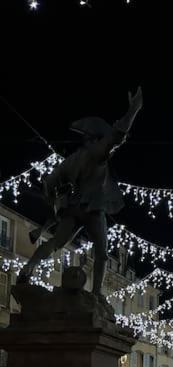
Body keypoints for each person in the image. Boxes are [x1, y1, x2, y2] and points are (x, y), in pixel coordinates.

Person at [17, 88, 143, 299]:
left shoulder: (71, 160)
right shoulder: (97, 154)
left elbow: (49, 183)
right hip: (93, 208)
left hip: (73, 208)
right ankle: (96, 295)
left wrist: (55, 203)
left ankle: (28, 268)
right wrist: (133, 110)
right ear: (95, 139)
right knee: (102, 254)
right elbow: (117, 135)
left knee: (56, 242)